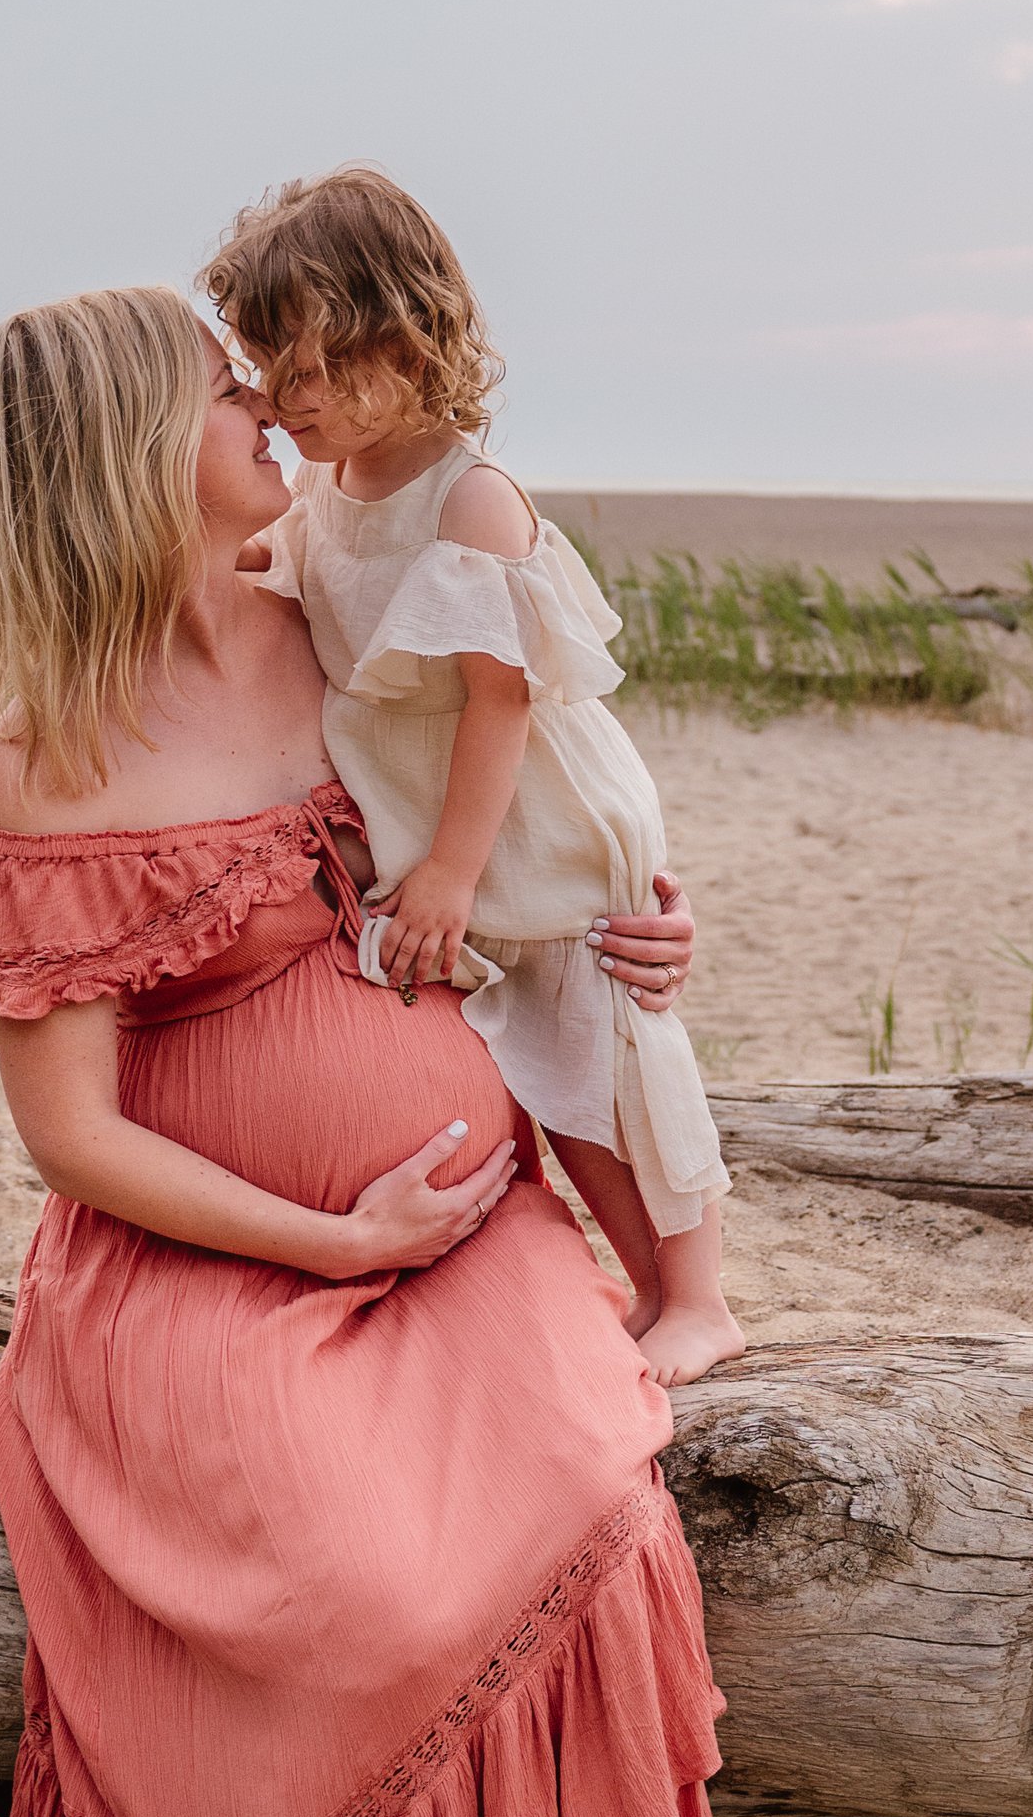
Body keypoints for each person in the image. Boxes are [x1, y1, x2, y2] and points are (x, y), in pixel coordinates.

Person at [0, 283, 769, 1817]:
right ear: (132, 449)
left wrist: (640, 920)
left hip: (454, 1246)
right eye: (228, 393)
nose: (274, 414)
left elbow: (526, 799)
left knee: (603, 1518)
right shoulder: (47, 739)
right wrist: (320, 1244)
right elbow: (72, 1142)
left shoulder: (328, 611)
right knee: (348, 1601)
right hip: (202, 1265)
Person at [203, 167, 744, 1389]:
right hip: (444, 816)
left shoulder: (470, 498)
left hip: (531, 814)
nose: (284, 404)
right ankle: (650, 1286)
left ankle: (699, 1296)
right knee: (546, 1068)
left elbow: (499, 700)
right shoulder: (332, 494)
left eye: (309, 371)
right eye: (265, 372)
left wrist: (448, 869)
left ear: (400, 341)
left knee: (613, 1039)